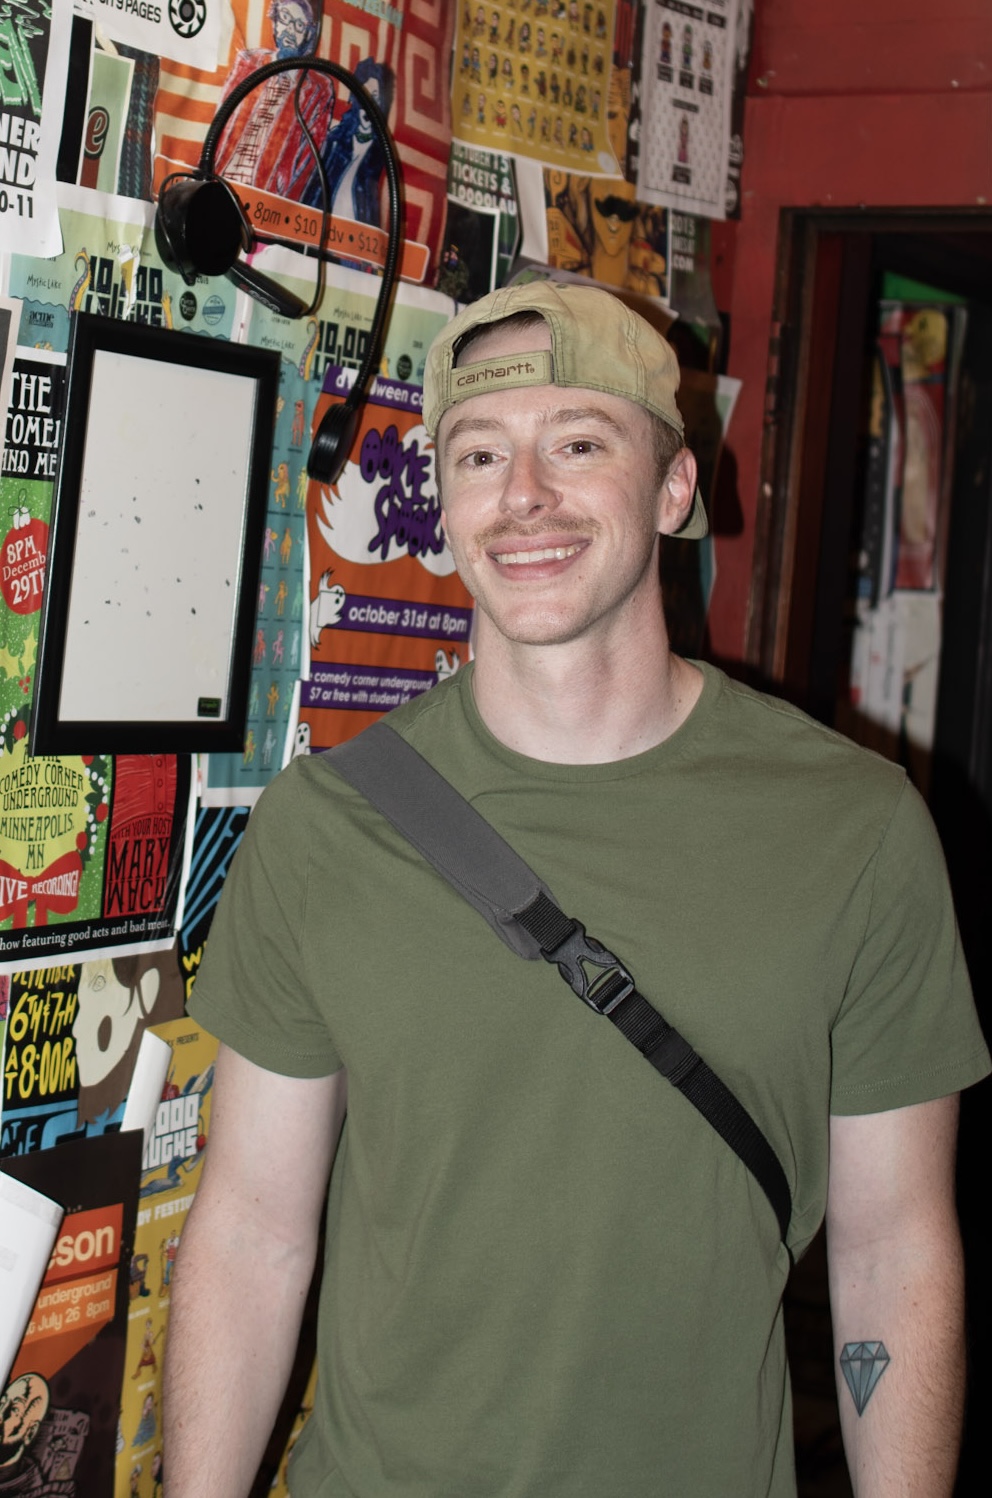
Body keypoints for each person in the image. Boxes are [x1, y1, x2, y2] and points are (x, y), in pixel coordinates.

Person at [164, 281, 990, 1497]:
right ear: (444, 503)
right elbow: (250, 1231)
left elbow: (891, 1253)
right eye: (479, 455)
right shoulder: (324, 828)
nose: (522, 497)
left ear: (673, 488)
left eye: (578, 444)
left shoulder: (854, 830)